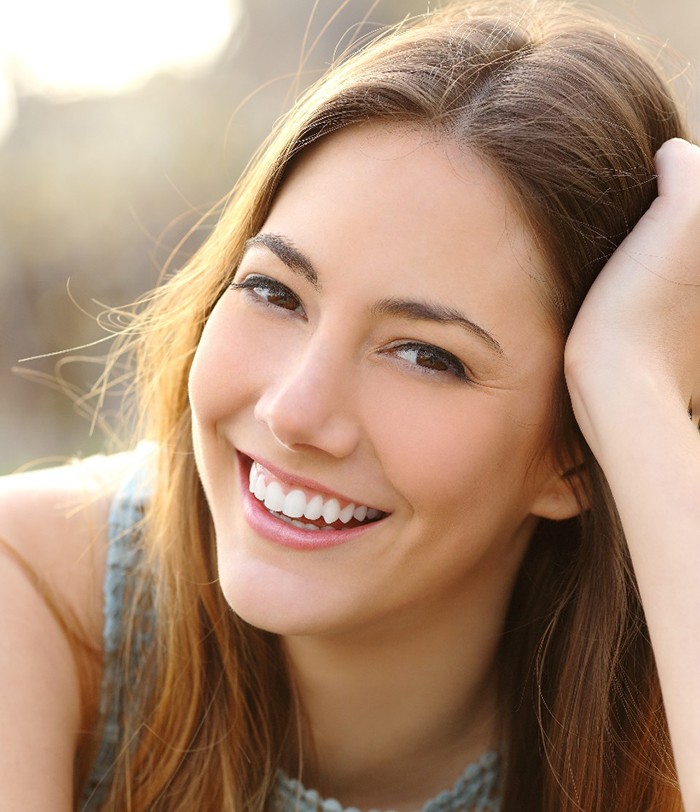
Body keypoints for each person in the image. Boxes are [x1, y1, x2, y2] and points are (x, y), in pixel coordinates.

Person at [1, 1, 699, 809]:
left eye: (426, 356)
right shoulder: (38, 598)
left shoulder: (662, 709)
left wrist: (637, 387)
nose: (296, 411)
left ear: (578, 452)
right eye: (274, 291)